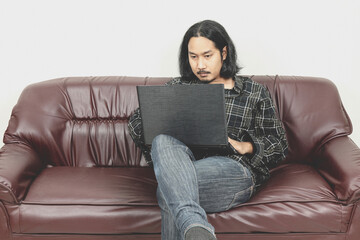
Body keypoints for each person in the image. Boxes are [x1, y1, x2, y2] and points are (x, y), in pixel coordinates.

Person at [128, 20, 288, 240]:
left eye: (207, 56)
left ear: (223, 52)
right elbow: (136, 123)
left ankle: (191, 222)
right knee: (163, 141)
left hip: (233, 169)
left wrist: (246, 146)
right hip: (184, 164)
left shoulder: (253, 92)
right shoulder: (179, 88)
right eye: (193, 57)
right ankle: (195, 226)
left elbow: (279, 144)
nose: (200, 65)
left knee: (168, 190)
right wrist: (165, 126)